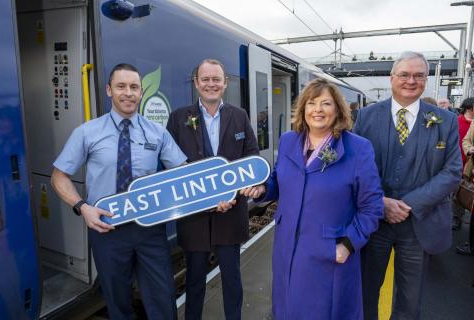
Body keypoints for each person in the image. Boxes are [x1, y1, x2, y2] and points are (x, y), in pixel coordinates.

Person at [51, 63, 187, 319]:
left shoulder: (157, 133)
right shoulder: (87, 132)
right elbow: (59, 176)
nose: (128, 92)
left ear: (141, 93)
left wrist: (215, 192)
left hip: (150, 228)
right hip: (106, 229)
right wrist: (83, 208)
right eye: (121, 86)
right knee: (117, 301)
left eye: (134, 87)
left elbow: (184, 172)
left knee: (163, 299)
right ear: (109, 90)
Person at [242, 78, 384, 319]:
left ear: (338, 109)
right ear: (303, 109)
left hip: (329, 253)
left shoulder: (358, 148)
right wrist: (264, 188)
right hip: (287, 248)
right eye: (311, 103)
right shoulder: (289, 140)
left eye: (326, 103)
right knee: (287, 308)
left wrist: (347, 245)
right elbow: (279, 180)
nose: (317, 110)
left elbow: (372, 207)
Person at [354, 51, 462, 320]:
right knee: (364, 293)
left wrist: (409, 205)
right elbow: (352, 168)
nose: (410, 81)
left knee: (409, 300)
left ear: (426, 79)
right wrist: (380, 202)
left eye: (418, 75)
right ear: (392, 78)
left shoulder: (445, 121)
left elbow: (452, 172)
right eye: (404, 74)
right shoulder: (366, 117)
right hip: (373, 223)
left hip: (418, 225)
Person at [166, 59, 259, 320]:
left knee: (232, 279)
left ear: (225, 83)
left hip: (231, 214)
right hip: (194, 217)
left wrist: (233, 194)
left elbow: (250, 157)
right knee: (194, 281)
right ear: (196, 83)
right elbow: (170, 165)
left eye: (216, 79)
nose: (211, 84)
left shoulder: (239, 116)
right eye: (205, 79)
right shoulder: (178, 118)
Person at [452, 97, 474, 230]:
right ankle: (456, 217)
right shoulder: (456, 121)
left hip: (469, 163)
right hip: (461, 162)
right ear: (470, 108)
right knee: (460, 192)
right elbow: (465, 141)